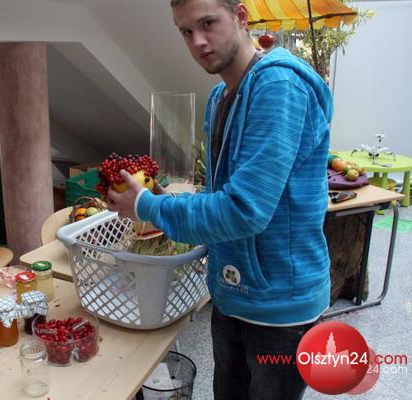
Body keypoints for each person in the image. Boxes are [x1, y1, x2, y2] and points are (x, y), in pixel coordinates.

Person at [108, 0, 332, 399]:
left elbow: (245, 210)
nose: (197, 41)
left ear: (241, 16)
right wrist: (162, 200)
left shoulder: (279, 87)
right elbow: (220, 194)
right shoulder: (219, 96)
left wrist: (147, 208)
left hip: (279, 305)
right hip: (231, 292)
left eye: (208, 23)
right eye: (185, 31)